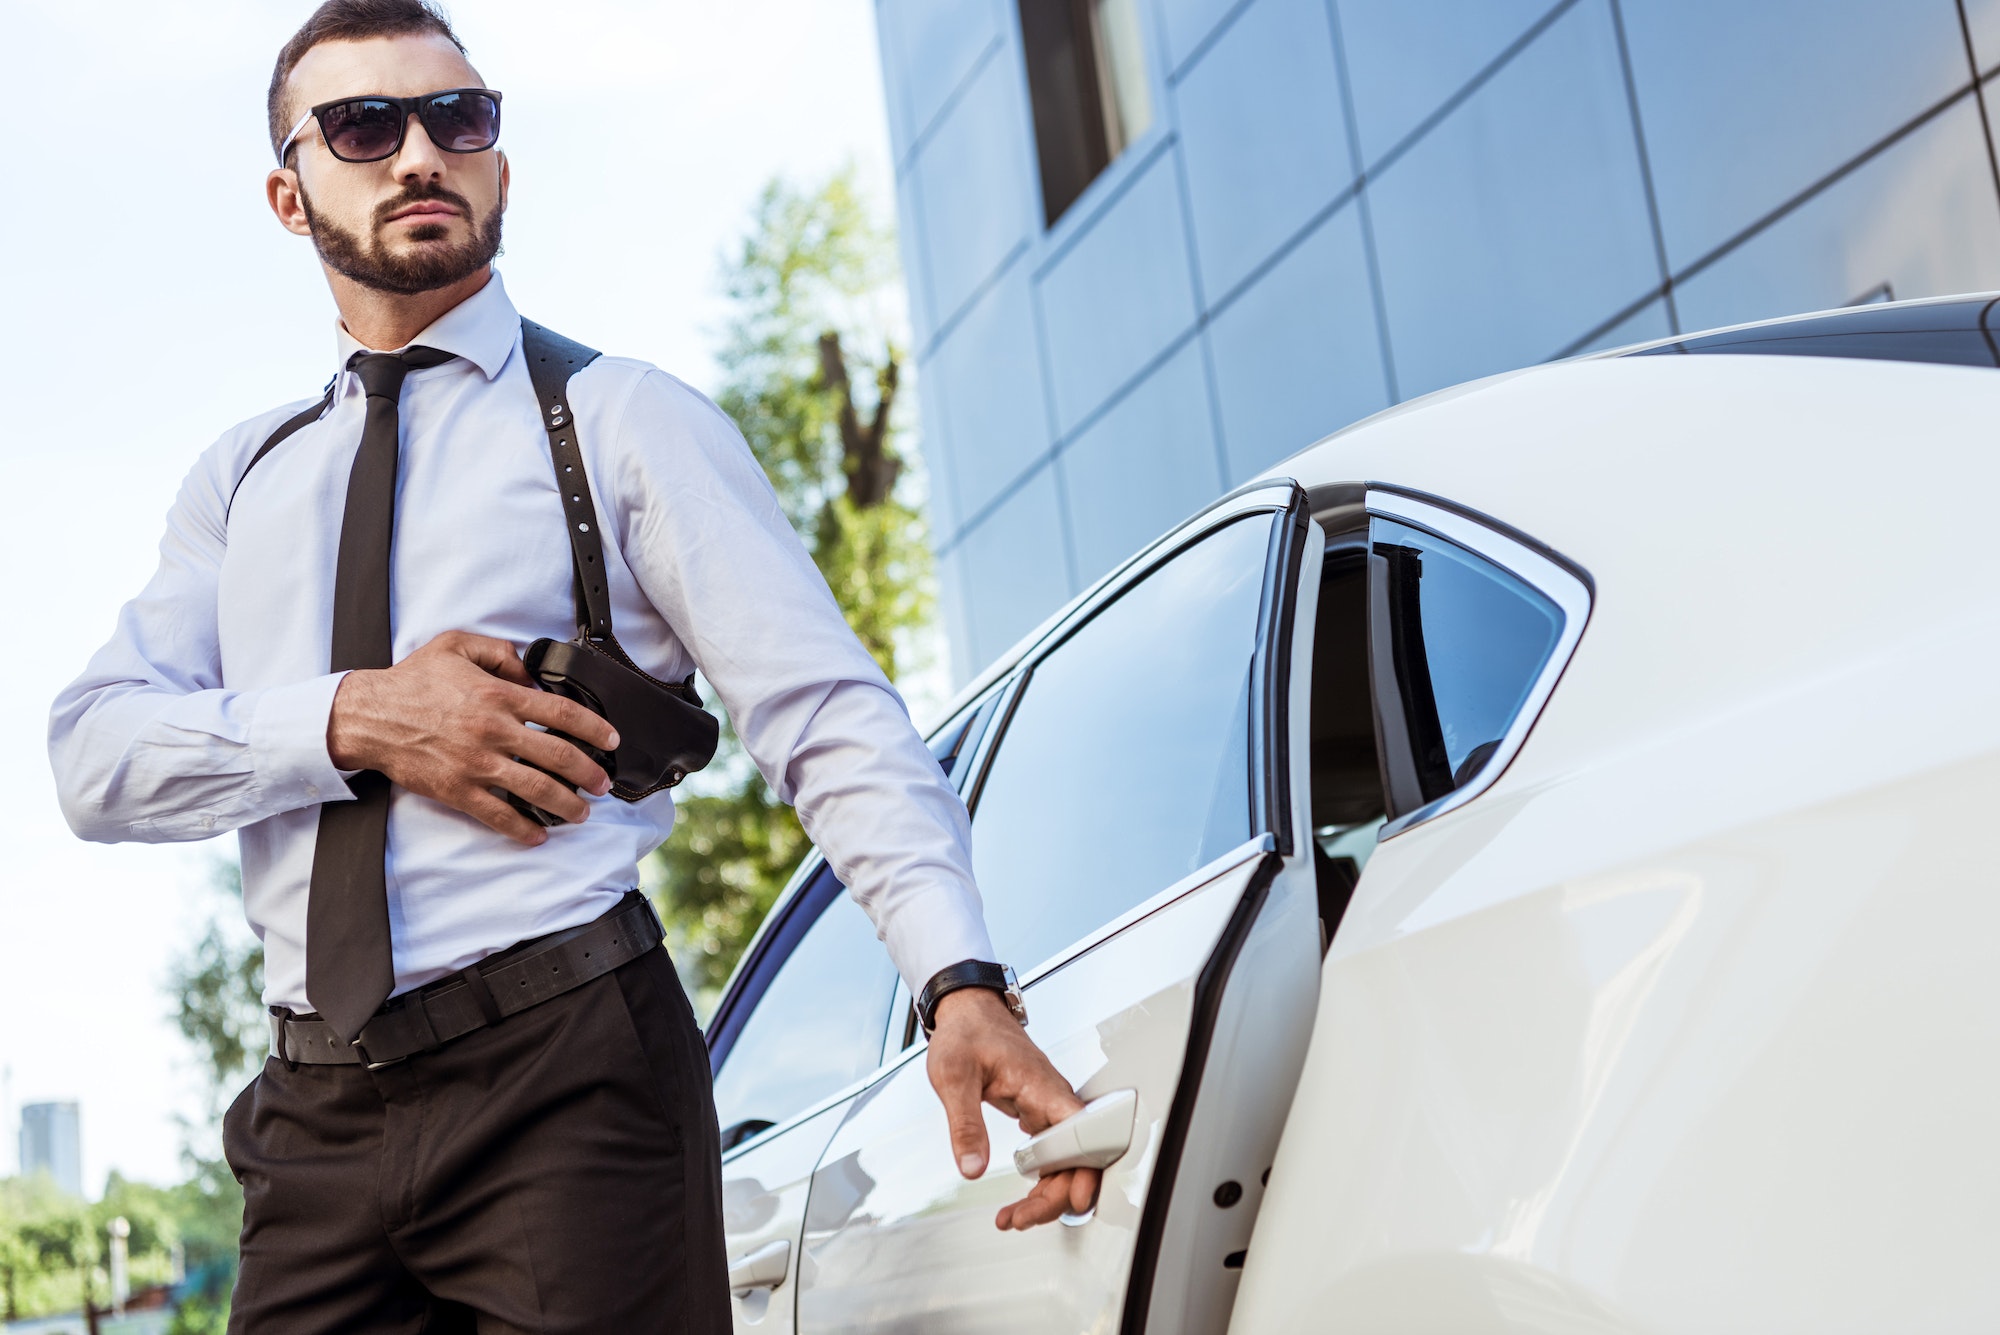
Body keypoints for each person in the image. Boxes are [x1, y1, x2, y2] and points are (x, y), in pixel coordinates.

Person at [47, 1, 1096, 1329]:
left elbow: (828, 717)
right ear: (287, 191)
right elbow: (93, 758)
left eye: (458, 118)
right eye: (366, 126)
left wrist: (957, 977)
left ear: (498, 158)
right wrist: (360, 719)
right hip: (310, 1117)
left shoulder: (621, 422)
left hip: (569, 1075)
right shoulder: (241, 484)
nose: (420, 153)